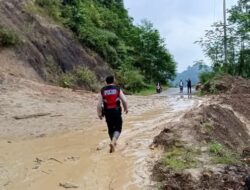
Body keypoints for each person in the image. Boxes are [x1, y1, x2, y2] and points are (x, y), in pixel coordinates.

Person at [97, 75, 128, 153]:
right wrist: (126, 108)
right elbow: (124, 100)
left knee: (110, 128)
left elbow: (99, 104)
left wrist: (99, 114)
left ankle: (113, 144)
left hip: (107, 112)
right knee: (118, 128)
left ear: (106, 82)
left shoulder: (102, 90)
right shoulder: (117, 89)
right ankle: (113, 142)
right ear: (113, 81)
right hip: (116, 111)